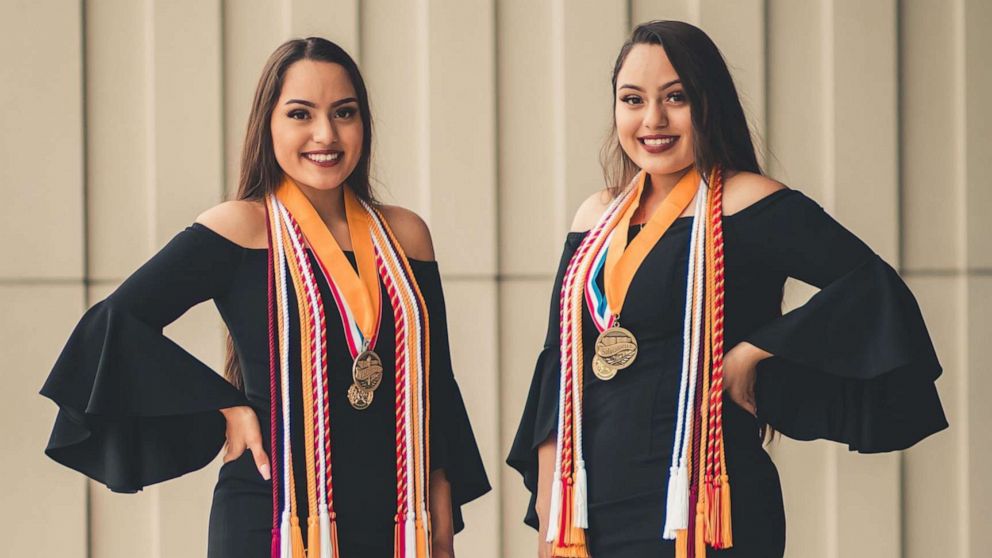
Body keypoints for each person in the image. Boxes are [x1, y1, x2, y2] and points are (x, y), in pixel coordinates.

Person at [507, 20, 946, 558]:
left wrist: (754, 352)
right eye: (632, 99)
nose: (653, 120)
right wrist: (554, 523)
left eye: (676, 97)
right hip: (594, 508)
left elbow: (871, 286)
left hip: (708, 505)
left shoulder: (746, 201)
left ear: (708, 103)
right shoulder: (596, 216)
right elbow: (559, 367)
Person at [41, 37, 490, 558]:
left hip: (394, 518)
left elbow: (436, 383)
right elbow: (112, 323)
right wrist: (225, 405)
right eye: (301, 114)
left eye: (344, 113)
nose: (326, 134)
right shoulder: (241, 228)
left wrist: (438, 506)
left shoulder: (405, 235)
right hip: (273, 514)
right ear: (268, 125)